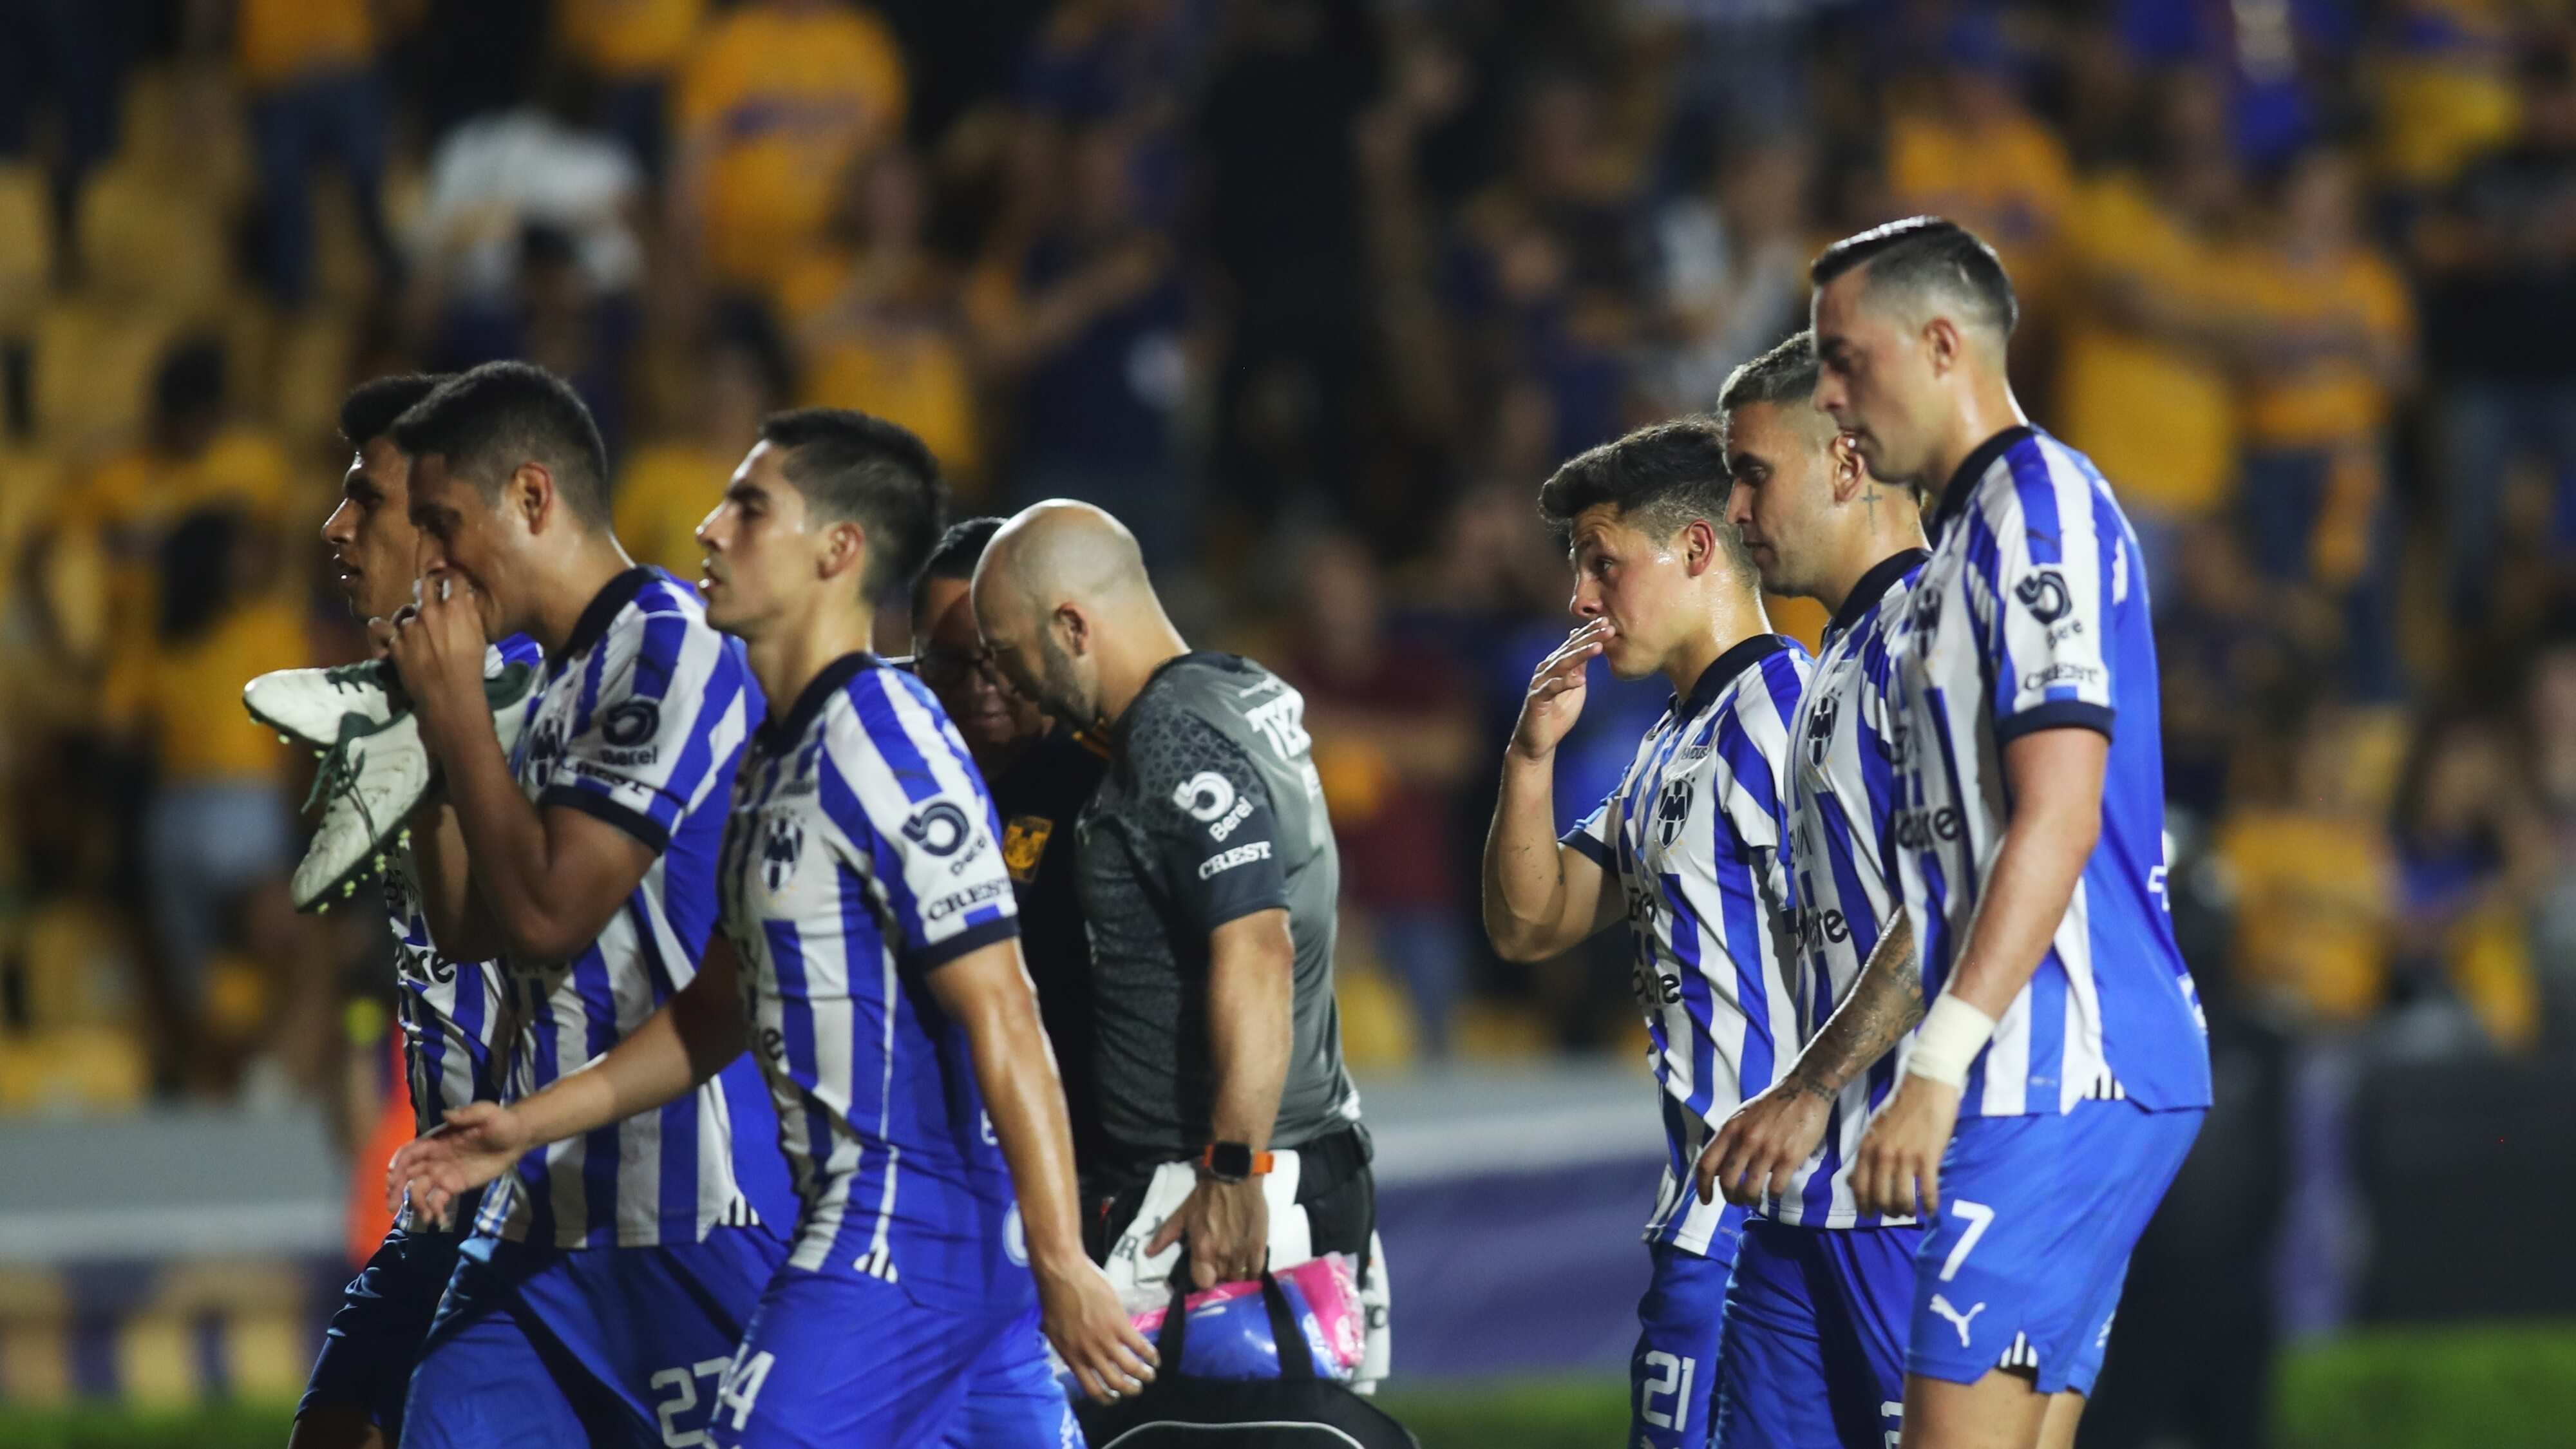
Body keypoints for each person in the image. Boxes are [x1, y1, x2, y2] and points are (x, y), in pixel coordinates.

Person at [390, 409, 1151, 1443]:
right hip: (914, 1251)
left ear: (838, 550)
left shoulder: (888, 740)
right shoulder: (772, 759)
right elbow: (714, 1010)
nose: (709, 528)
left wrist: (1063, 1259)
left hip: (896, 1246)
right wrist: (524, 1126)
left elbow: (1006, 1010)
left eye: (749, 508)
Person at [1808, 216, 2213, 1449]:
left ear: (1943, 345)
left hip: (2065, 1058)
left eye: (1845, 359)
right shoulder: (1959, 545)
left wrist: (1934, 1068)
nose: (1830, 398)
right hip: (2039, 1063)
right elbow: (1955, 872)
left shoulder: (2040, 509)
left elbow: (2063, 808)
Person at [374, 361, 795, 1448]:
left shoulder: (667, 647)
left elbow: (550, 913)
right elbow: (473, 928)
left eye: (444, 523)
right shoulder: (552, 675)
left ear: (532, 496)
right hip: (538, 1220)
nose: (432, 559)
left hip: (688, 1207)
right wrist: (434, 748)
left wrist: (458, 709)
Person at [969, 501, 1389, 1388]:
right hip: (1305, 1159)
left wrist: (1232, 1170)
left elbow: (1258, 946)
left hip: (1207, 1196)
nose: (1006, 680)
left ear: (1072, 626)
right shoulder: (1240, 689)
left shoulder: (1170, 734)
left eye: (1008, 651)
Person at [1478, 419, 1809, 1449]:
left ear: (1698, 548)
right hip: (1710, 1219)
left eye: (1602, 562)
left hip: (1774, 1228)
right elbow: (1533, 924)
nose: (1580, 598)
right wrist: (1530, 759)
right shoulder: (1671, 742)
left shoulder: (1792, 717)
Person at [292, 374, 544, 1449]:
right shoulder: (392, 709)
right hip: (443, 1200)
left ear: (445, 526)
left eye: (367, 501)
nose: (335, 528)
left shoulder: (540, 705)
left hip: (543, 1201)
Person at [1700, 330, 1933, 1448]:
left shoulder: (1934, 636)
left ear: (1847, 460)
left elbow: (1962, 901)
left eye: (1754, 474)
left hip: (1912, 1185)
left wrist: (1811, 1084)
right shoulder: (1837, 650)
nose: (1736, 510)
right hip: (1810, 1188)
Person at [910, 515, 1112, 1172]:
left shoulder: (1106, 785)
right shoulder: (882, 778)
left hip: (1081, 1158)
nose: (979, 686)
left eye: (996, 656)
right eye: (948, 662)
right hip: (932, 1151)